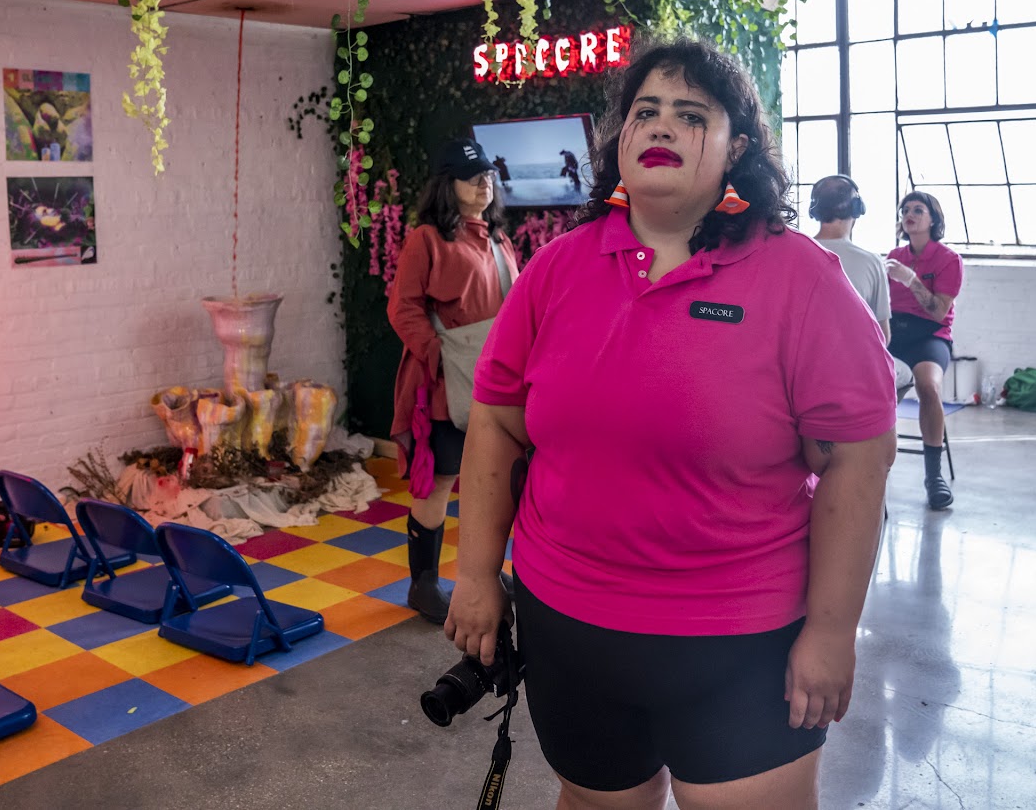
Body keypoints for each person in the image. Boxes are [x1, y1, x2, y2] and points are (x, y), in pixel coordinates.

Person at [447, 40, 897, 810]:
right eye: (645, 112)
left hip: (740, 643)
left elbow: (859, 458)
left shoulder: (803, 280)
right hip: (569, 627)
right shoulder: (557, 269)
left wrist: (831, 632)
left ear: (737, 147)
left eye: (692, 115)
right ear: (620, 137)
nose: (662, 127)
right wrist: (477, 573)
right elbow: (495, 421)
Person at [387, 137, 520, 624]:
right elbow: (403, 308)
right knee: (440, 480)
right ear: (450, 185)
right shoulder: (426, 239)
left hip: (497, 380)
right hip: (448, 382)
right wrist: (437, 356)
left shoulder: (499, 237)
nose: (485, 183)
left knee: (492, 478)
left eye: (488, 176)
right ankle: (423, 584)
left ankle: (485, 572)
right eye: (473, 177)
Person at [885, 191, 962, 511]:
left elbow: (937, 312)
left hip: (930, 335)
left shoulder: (947, 259)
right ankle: (874, 469)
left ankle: (934, 478)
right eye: (905, 210)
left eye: (918, 209)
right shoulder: (894, 254)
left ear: (933, 219)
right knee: (876, 390)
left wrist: (912, 280)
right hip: (895, 333)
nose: (910, 214)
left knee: (928, 386)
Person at [809, 175, 913, 392]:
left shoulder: (794, 254)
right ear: (857, 208)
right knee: (906, 374)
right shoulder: (871, 261)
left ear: (815, 210)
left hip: (802, 371)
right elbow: (883, 337)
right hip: (852, 374)